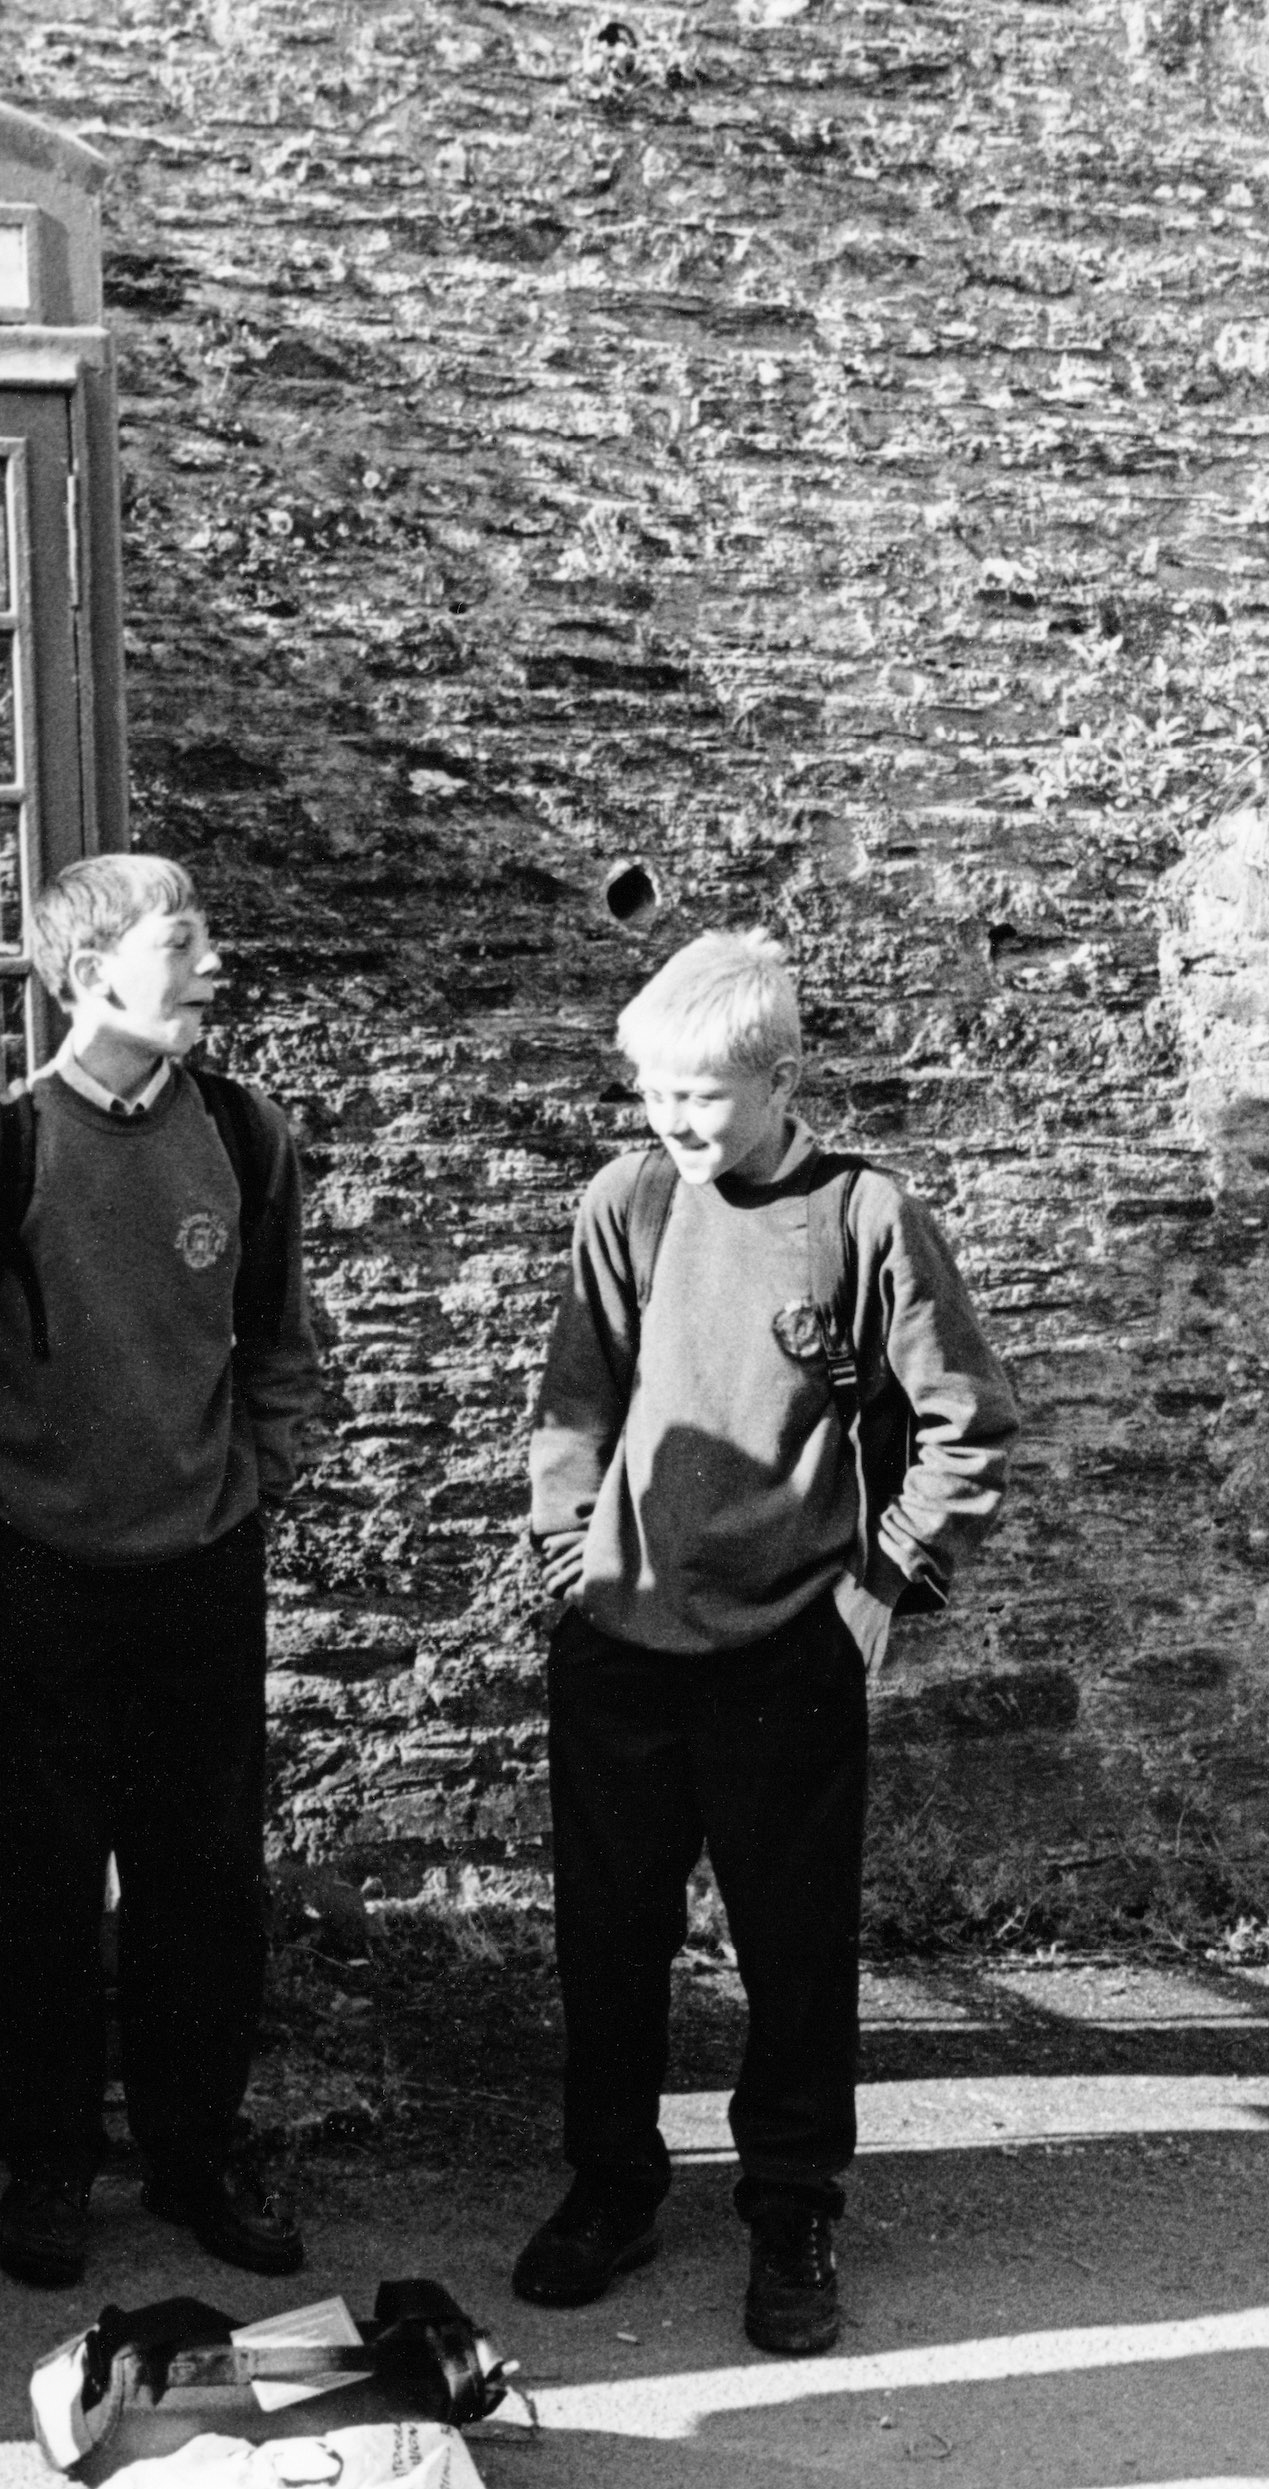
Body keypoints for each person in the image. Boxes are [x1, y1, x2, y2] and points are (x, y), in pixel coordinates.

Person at [513, 928, 1018, 2358]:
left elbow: (966, 1419)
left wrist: (881, 1585)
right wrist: (569, 1560)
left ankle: (791, 2202)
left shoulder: (863, 1217)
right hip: (622, 1635)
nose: (676, 1123)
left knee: (792, 1948)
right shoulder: (627, 1202)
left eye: (705, 1099)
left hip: (787, 1645)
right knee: (607, 1939)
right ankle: (609, 2183)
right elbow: (573, 1402)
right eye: (655, 1094)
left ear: (781, 1076)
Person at [0, 853, 326, 2291]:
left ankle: (197, 2152)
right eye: (180, 944)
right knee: (49, 1891)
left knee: (206, 1881)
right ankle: (50, 2167)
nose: (213, 969)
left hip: (201, 1561)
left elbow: (277, 1342)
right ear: (85, 977)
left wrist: (258, 1483)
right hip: (39, 1572)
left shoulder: (247, 1137)